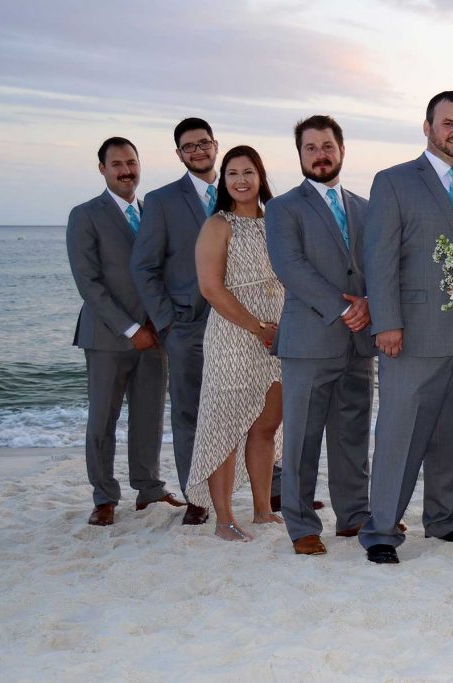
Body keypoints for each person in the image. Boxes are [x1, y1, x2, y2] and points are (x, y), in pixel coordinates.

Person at [360, 91, 453, 565]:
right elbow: (379, 259)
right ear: (428, 127)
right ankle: (380, 530)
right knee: (400, 431)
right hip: (412, 331)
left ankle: (442, 518)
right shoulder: (394, 181)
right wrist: (387, 324)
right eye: (448, 123)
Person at [266, 116, 375, 556]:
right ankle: (301, 525)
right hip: (310, 341)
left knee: (352, 433)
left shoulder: (366, 208)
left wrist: (370, 305)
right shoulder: (283, 207)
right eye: (311, 148)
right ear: (300, 155)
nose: (320, 154)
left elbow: (376, 265)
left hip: (359, 339)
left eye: (327, 146)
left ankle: (354, 516)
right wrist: (344, 306)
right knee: (302, 439)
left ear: (342, 150)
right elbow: (290, 266)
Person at [66, 137, 182, 526]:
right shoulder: (85, 215)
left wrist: (159, 323)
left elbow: (163, 274)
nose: (126, 170)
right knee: (102, 419)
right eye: (117, 164)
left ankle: (149, 490)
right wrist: (131, 328)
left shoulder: (153, 213)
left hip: (155, 336)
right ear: (102, 169)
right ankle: (104, 497)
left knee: (149, 417)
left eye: (131, 162)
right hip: (107, 336)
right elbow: (89, 283)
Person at [184, 146, 283, 541]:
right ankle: (224, 518)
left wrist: (282, 326)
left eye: (248, 172)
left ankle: (262, 509)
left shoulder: (276, 220)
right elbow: (210, 288)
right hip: (233, 334)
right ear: (224, 182)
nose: (240, 180)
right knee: (225, 426)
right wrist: (257, 326)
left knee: (266, 424)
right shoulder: (217, 225)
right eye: (232, 174)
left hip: (277, 334)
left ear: (260, 177)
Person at [130, 118, 218, 526]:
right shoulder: (162, 200)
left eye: (204, 143)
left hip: (240, 323)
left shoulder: (239, 192)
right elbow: (144, 267)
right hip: (187, 327)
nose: (198, 151)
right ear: (179, 154)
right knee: (190, 414)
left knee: (256, 406)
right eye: (189, 147)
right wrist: (166, 324)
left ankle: (267, 488)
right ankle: (197, 497)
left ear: (215, 145)